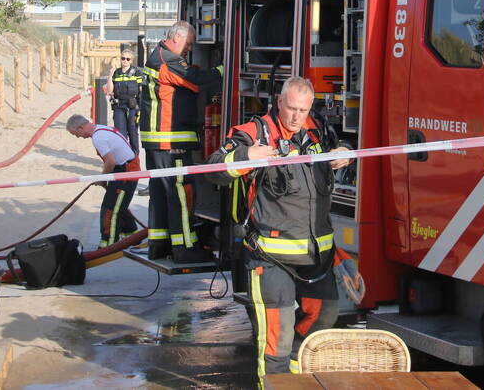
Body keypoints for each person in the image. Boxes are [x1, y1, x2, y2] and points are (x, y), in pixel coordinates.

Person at [207, 76, 353, 379]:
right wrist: (247, 156)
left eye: (303, 110)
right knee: (277, 339)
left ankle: (296, 377)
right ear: (279, 102)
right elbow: (213, 169)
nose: (297, 116)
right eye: (291, 108)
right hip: (270, 258)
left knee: (324, 317)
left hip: (316, 257)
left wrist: (345, 153)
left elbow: (342, 146)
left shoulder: (317, 130)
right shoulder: (254, 133)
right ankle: (275, 381)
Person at [140, 21, 223, 263]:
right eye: (188, 44)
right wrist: (223, 69)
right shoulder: (167, 60)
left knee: (160, 193)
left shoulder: (160, 56)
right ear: (176, 37)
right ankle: (185, 248)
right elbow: (194, 80)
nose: (189, 49)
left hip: (159, 142)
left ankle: (159, 244)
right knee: (181, 193)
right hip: (170, 141)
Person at [66, 113, 140, 248]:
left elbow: (110, 162)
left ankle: (109, 244)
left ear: (80, 128)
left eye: (76, 134)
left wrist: (102, 179)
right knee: (119, 205)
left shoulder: (98, 138)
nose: (78, 137)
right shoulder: (102, 128)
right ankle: (132, 236)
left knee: (110, 209)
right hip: (127, 169)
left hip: (126, 173)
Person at [105, 49, 143, 153]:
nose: (125, 61)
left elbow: (141, 90)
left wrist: (140, 108)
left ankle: (135, 155)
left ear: (131, 61)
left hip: (133, 106)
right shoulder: (116, 73)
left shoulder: (137, 72)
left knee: (132, 132)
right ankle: (124, 155)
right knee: (120, 133)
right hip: (119, 106)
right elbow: (110, 91)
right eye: (123, 58)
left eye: (128, 59)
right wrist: (110, 76)